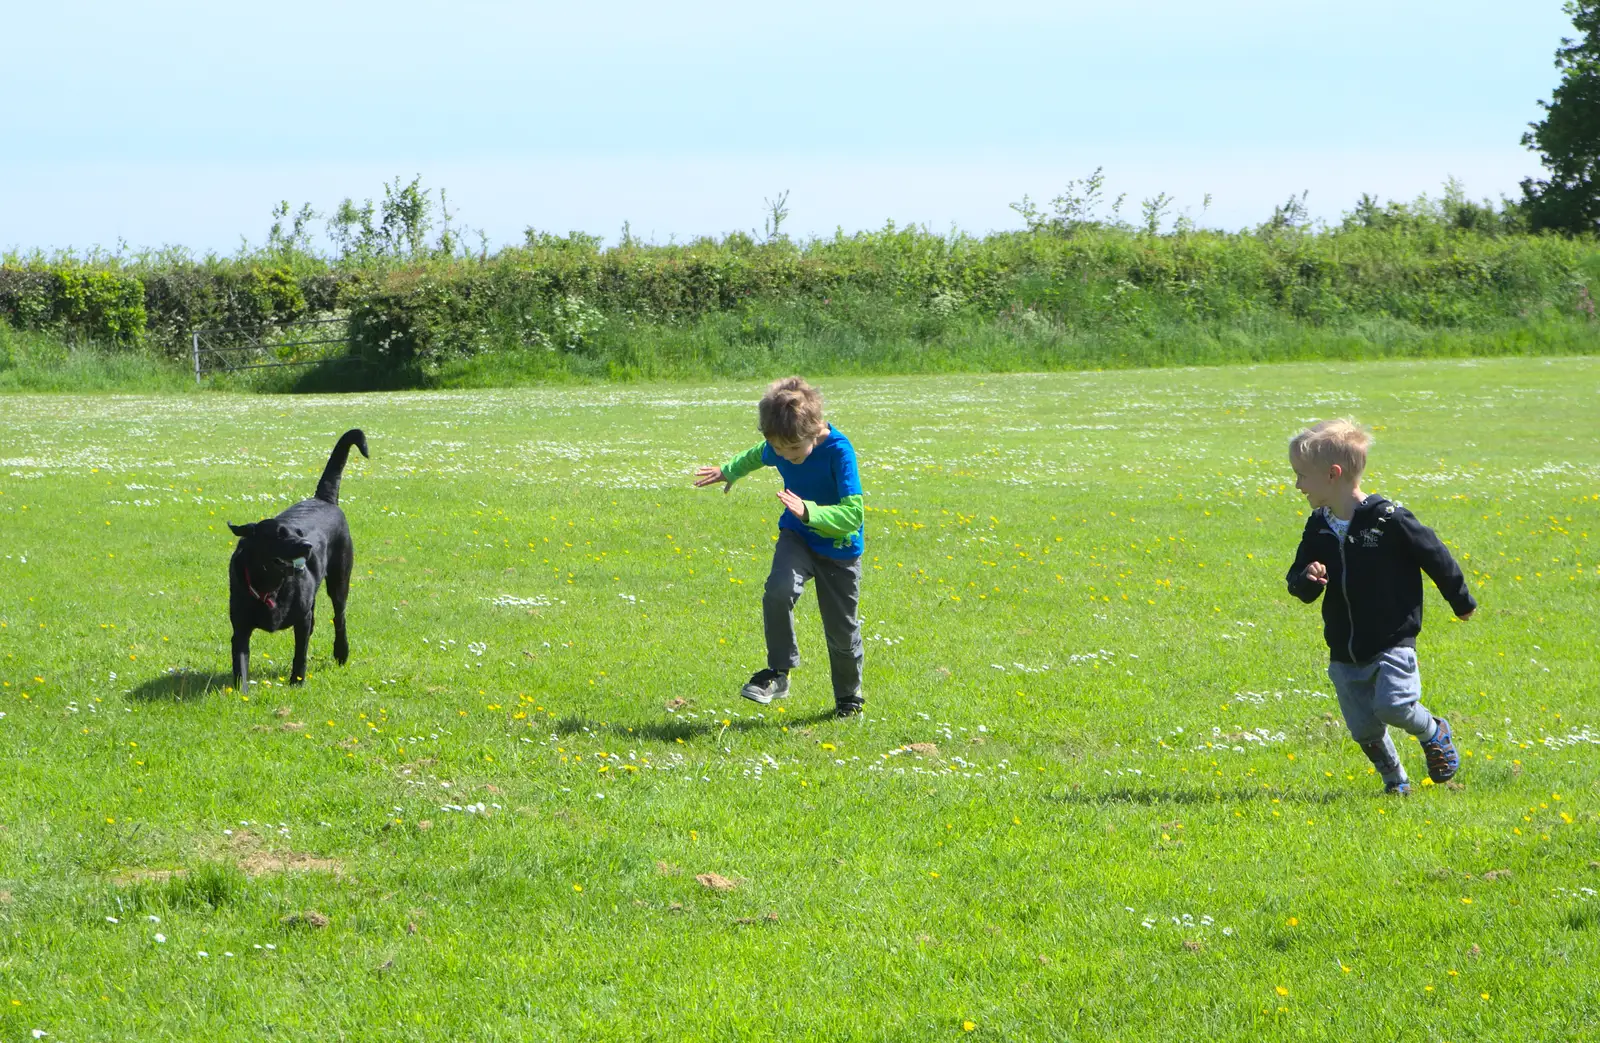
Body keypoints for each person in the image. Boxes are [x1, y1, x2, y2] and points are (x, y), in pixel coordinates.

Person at [1285, 419, 1477, 794]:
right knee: (1363, 729)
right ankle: (1396, 782)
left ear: (1332, 474)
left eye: (1301, 476)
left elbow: (1436, 556)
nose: (1297, 485)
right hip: (1344, 648)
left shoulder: (1390, 520)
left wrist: (1460, 600)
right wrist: (1306, 578)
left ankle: (1433, 731)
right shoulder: (1318, 526)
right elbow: (1299, 581)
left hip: (1392, 640)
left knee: (1394, 705)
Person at [694, 376, 866, 717]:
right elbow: (757, 455)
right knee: (777, 590)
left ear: (815, 429)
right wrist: (729, 471)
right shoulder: (779, 446)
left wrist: (809, 511)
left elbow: (853, 514)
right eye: (780, 450)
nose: (786, 457)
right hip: (798, 537)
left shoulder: (839, 452)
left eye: (792, 450)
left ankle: (849, 698)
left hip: (839, 548)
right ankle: (778, 672)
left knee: (842, 633)